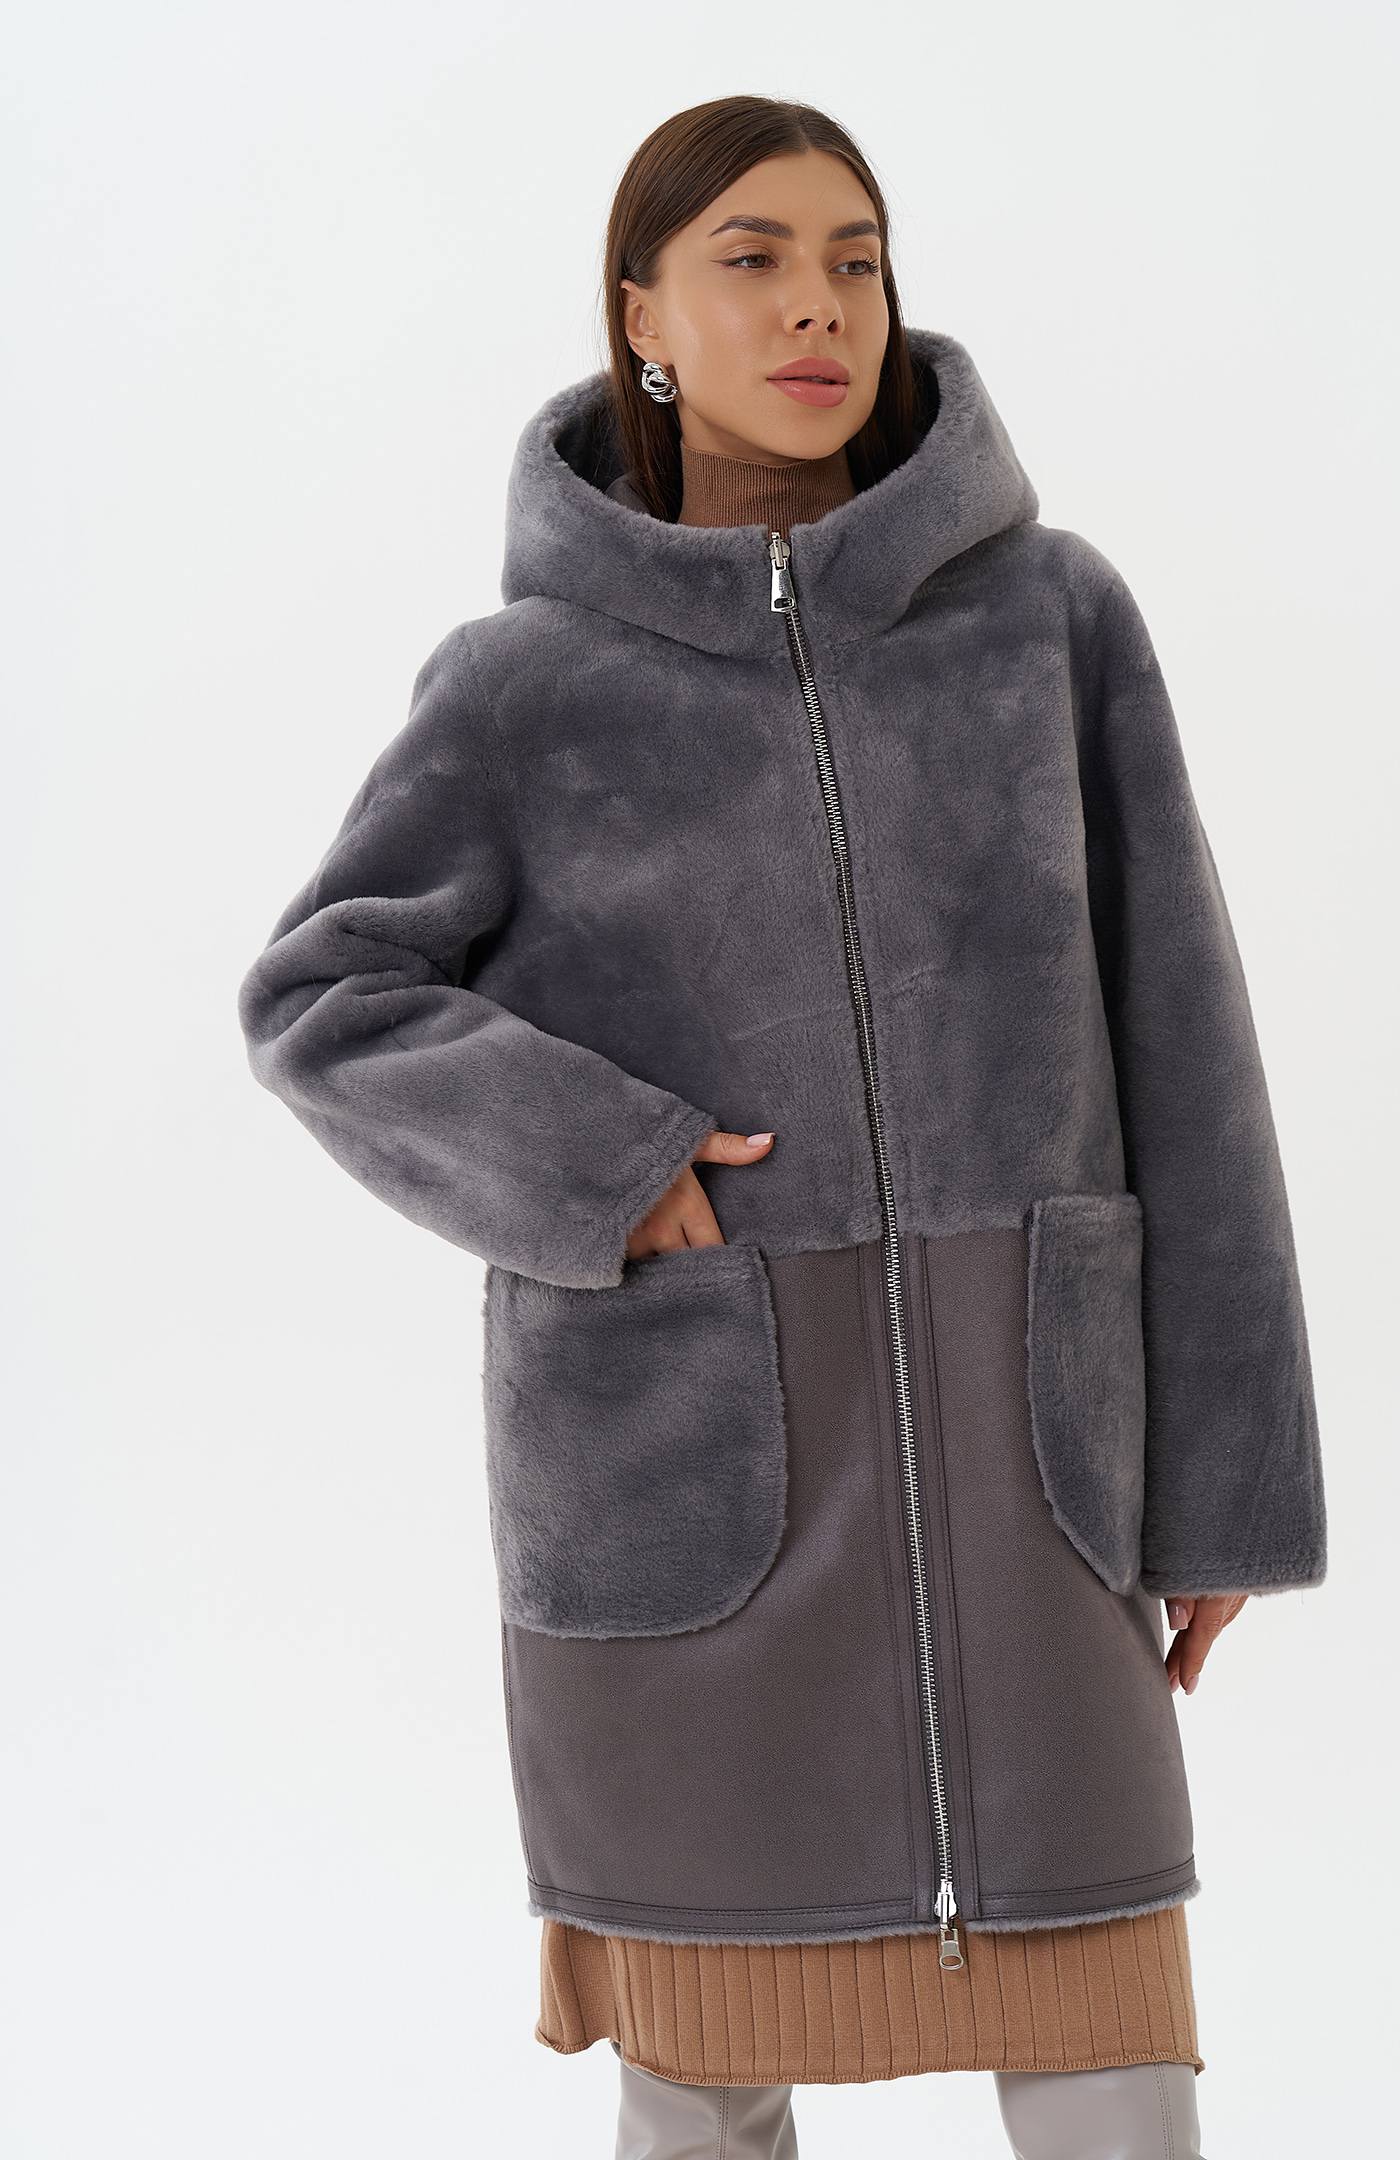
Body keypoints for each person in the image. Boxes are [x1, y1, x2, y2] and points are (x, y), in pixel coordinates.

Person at [239, 95, 1325, 2160]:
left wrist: (1226, 1488)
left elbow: (1192, 1057)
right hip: (685, 1499)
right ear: (645, 315)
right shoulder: (525, 686)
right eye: (751, 259)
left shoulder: (1051, 625)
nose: (818, 304)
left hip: (1037, 1489)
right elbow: (322, 997)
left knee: (1114, 2067)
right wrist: (601, 1164)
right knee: (704, 2092)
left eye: (855, 259)